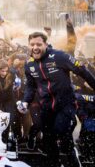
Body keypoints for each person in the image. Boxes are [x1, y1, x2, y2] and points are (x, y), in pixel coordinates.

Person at [17, 32, 95, 167]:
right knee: (48, 140)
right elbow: (30, 86)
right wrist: (25, 101)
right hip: (46, 106)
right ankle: (54, 163)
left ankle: (72, 158)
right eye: (32, 44)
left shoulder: (60, 56)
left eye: (39, 44)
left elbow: (82, 71)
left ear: (46, 45)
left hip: (66, 104)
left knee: (61, 131)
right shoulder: (28, 64)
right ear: (28, 45)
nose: (35, 47)